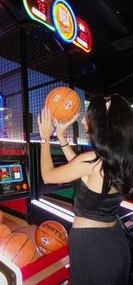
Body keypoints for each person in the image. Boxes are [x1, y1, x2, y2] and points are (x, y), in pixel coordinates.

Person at [37, 94, 133, 285]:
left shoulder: (91, 162)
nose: (82, 119)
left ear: (101, 124)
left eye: (88, 116)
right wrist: (62, 137)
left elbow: (48, 175)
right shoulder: (122, 160)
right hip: (114, 242)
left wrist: (45, 138)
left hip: (91, 247)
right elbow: (82, 169)